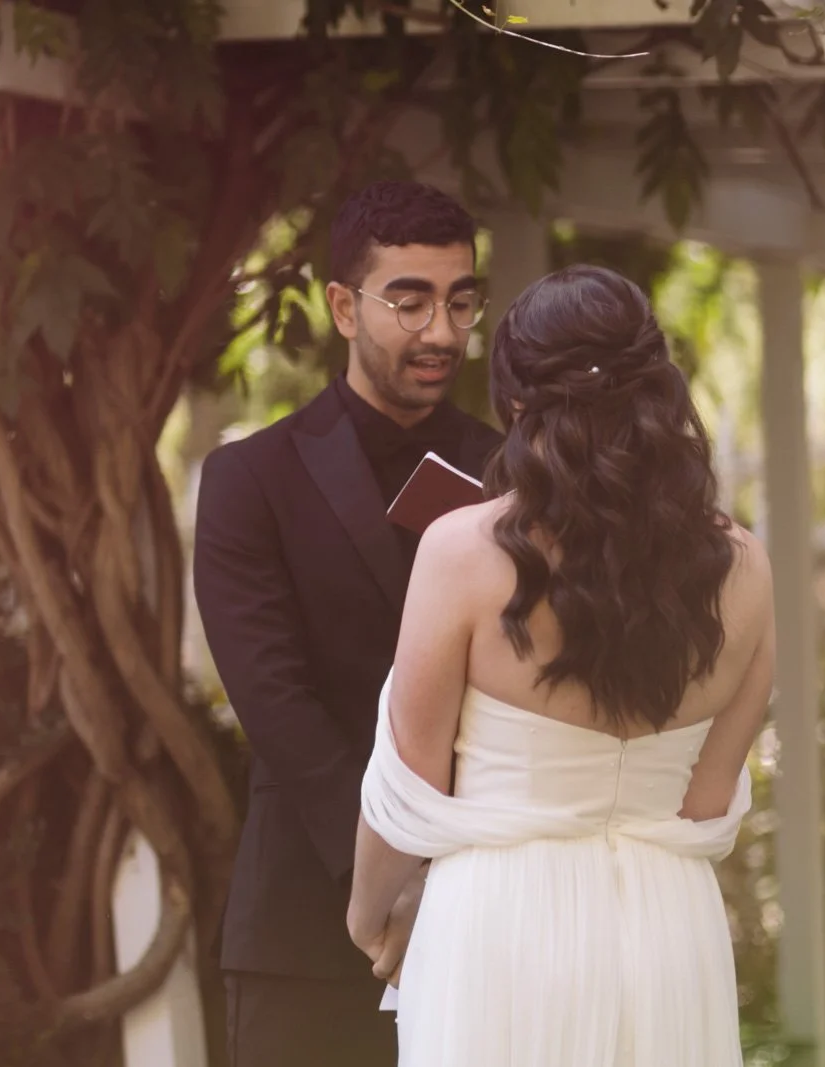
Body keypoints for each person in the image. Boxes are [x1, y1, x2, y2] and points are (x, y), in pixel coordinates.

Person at [347, 264, 775, 1066]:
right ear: (657, 388)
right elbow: (707, 801)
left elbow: (408, 787)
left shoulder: (460, 554)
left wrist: (369, 916)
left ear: (515, 404)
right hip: (667, 928)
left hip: (499, 930)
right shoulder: (744, 566)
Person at [193, 181, 503, 1067]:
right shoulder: (250, 481)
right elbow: (275, 703)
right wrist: (388, 881)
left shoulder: (515, 474)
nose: (441, 330)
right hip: (304, 924)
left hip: (484, 921)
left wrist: (456, 889)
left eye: (460, 300)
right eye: (409, 300)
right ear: (342, 305)